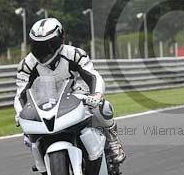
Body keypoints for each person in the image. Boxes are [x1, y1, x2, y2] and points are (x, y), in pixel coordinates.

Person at [13, 17, 126, 165]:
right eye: (38, 46)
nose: (44, 51)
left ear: (61, 38)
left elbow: (93, 76)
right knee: (28, 136)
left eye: (49, 44)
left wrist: (96, 95)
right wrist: (20, 113)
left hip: (75, 95)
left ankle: (113, 142)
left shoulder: (74, 54)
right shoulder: (27, 65)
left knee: (103, 107)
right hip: (45, 102)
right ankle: (44, 164)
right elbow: (21, 94)